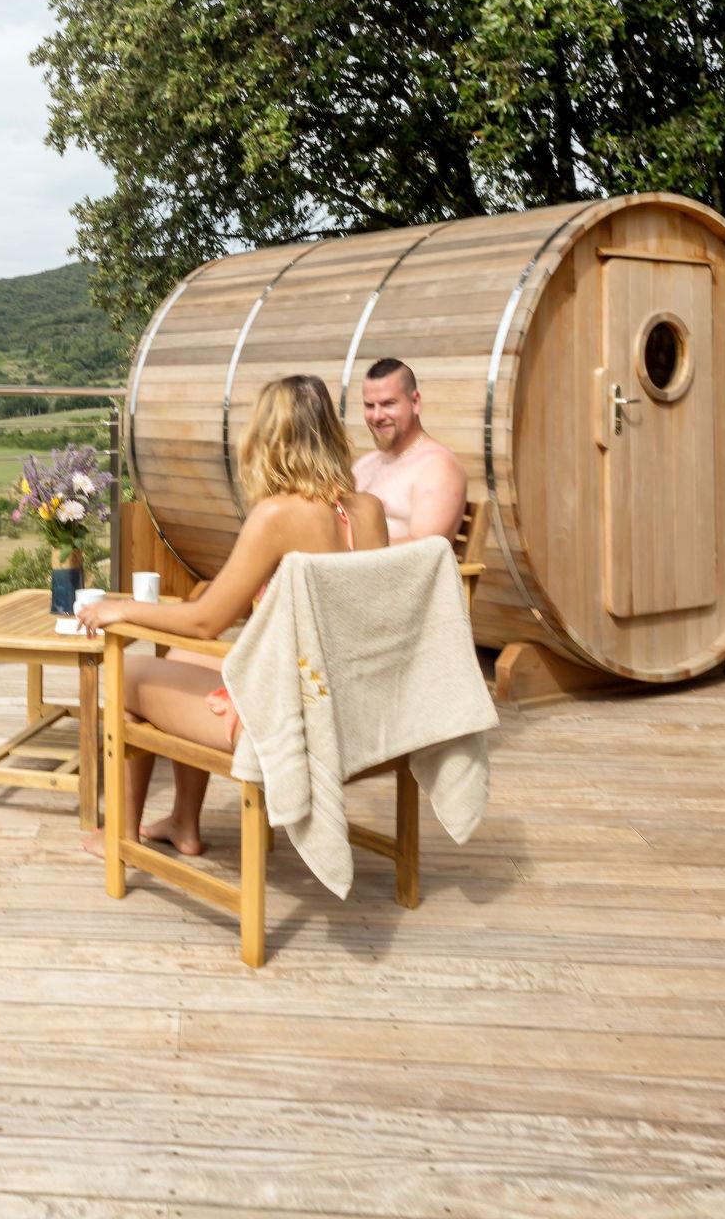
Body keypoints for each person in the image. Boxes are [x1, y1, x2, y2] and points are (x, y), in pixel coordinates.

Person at [76, 375, 388, 858]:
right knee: (181, 657)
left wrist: (121, 609)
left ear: (268, 438)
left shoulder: (278, 515)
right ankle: (183, 822)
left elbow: (206, 621)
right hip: (348, 705)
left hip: (288, 715)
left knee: (129, 672)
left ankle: (119, 831)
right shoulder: (368, 510)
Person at [354, 357, 468, 544]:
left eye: (388, 404)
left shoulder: (438, 467)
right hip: (353, 567)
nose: (377, 416)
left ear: (415, 402)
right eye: (369, 405)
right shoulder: (366, 463)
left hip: (399, 572)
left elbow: (425, 551)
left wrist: (345, 541)